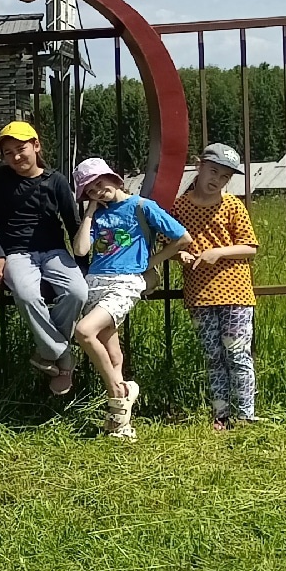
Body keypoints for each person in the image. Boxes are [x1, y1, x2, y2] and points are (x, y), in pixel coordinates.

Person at [69, 157, 189, 441]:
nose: (98, 191)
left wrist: (150, 262)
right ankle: (120, 425)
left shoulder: (141, 207)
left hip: (125, 283)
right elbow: (81, 250)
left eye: (100, 183)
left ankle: (119, 390)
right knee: (112, 353)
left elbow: (182, 238)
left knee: (84, 332)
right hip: (95, 282)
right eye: (90, 190)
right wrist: (88, 214)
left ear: (114, 178)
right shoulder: (96, 215)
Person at [0, 122, 87, 397]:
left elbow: (73, 224)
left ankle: (46, 352)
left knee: (77, 292)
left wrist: (83, 266)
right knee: (26, 295)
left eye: (21, 149)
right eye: (8, 152)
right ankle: (62, 356)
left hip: (54, 251)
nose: (15, 157)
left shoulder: (56, 181)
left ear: (36, 146)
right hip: (17, 253)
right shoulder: (1, 179)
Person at [167, 142, 262, 429]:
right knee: (213, 357)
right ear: (199, 166)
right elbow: (168, 240)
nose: (216, 181)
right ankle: (220, 415)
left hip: (235, 292)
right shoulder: (180, 206)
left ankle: (246, 415)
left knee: (237, 353)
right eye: (213, 172)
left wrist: (218, 252)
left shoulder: (233, 205)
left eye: (224, 177)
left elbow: (250, 247)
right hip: (199, 294)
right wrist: (180, 253)